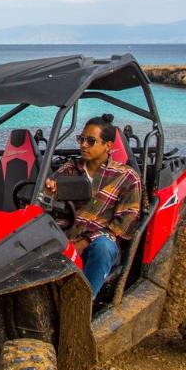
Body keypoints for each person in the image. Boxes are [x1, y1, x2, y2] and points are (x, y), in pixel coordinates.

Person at [55, 114, 142, 298]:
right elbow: (50, 209)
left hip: (101, 243)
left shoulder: (126, 177)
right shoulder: (68, 171)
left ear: (108, 146)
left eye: (91, 141)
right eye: (81, 139)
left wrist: (86, 241)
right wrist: (49, 192)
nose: (83, 145)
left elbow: (126, 224)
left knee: (102, 247)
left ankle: (83, 304)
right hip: (66, 236)